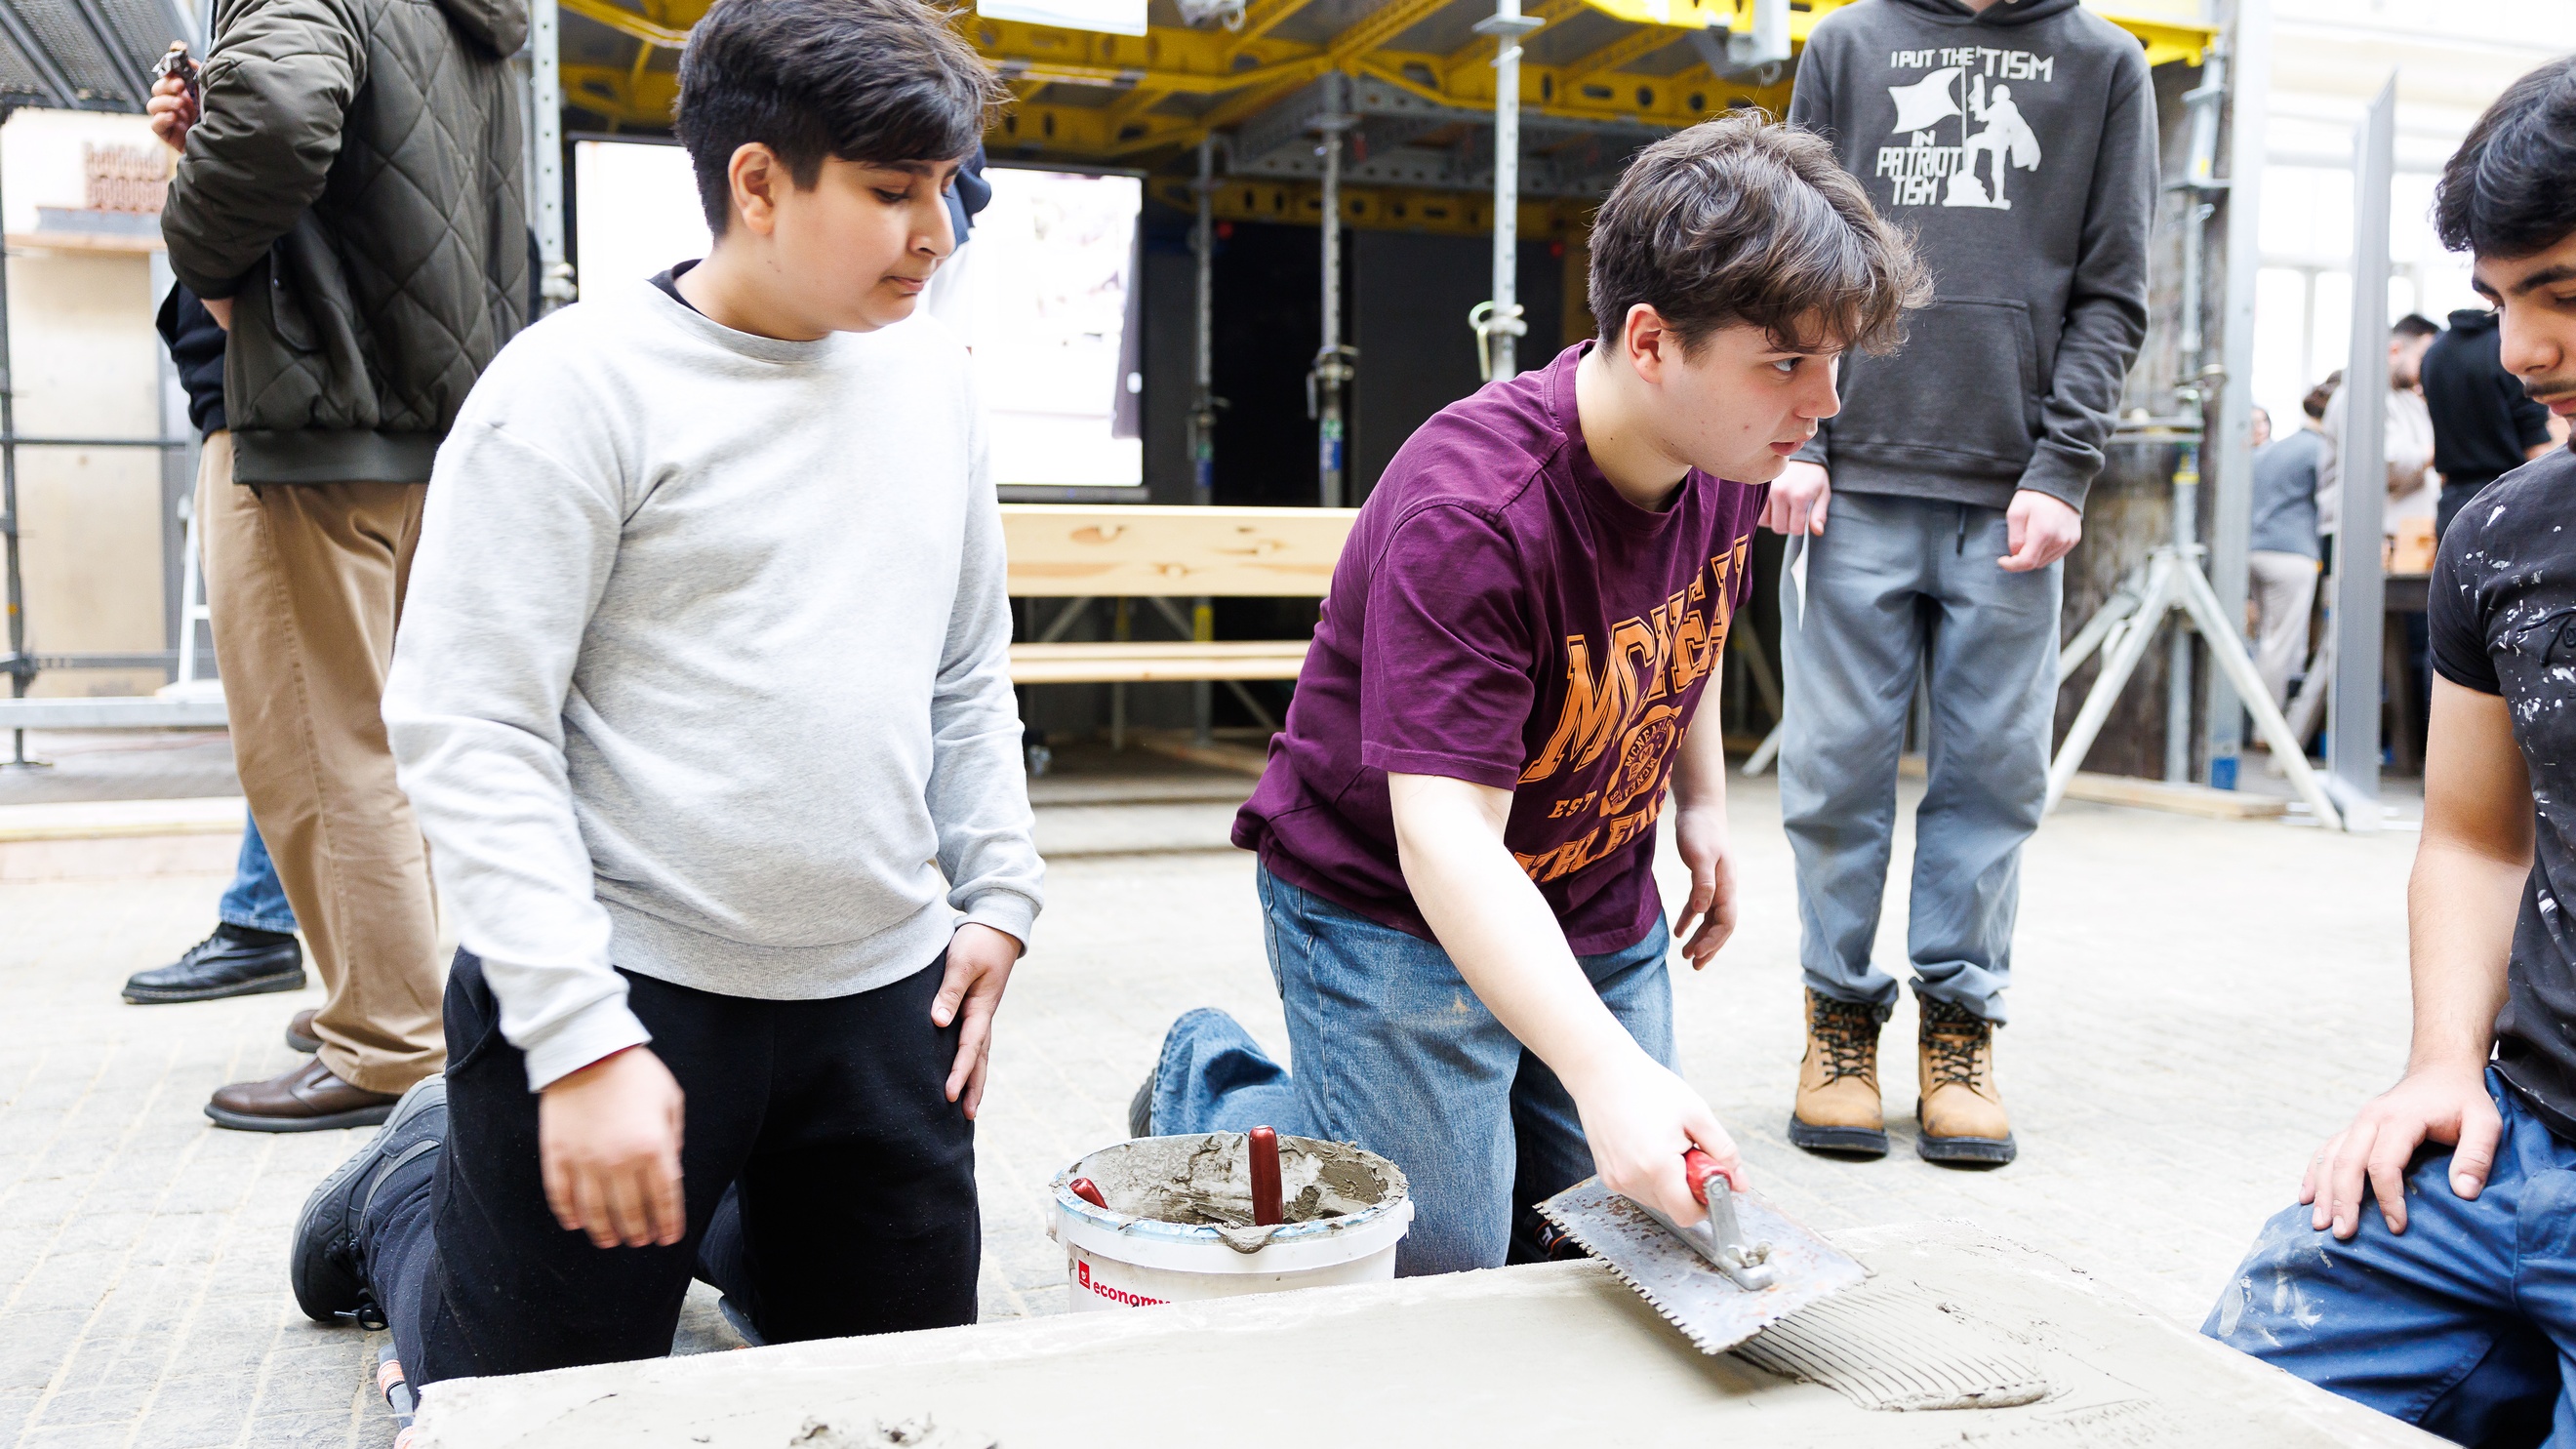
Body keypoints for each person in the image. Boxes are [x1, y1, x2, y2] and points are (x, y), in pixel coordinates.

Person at [287, 0, 1037, 1386]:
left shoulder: (934, 382)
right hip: (624, 982)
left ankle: (716, 1212)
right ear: (758, 183)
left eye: (945, 186)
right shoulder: (572, 389)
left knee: (900, 1400)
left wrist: (997, 892)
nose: (936, 231)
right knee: (528, 1410)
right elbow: (472, 727)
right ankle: (404, 1191)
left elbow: (964, 667)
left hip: (876, 988)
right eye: (892, 191)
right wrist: (575, 1040)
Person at [1132, 113, 1928, 1276]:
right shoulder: (1474, 513)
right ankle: (1217, 1084)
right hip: (1390, 909)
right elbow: (1445, 836)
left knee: (1608, 1248)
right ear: (1652, 342)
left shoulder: (1725, 449)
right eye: (1787, 363)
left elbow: (1689, 619)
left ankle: (1473, 1125)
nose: (1826, 403)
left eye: (1833, 361)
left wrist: (1702, 803)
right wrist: (1605, 1075)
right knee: (1440, 1259)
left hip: (1590, 890)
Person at [2203, 57, 2576, 1443]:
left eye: (2562, 294)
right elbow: (2476, 838)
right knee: (2212, 1400)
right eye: (2499, 300)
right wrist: (2438, 1066)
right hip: (2510, 1136)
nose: (2522, 352)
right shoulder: (2507, 534)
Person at [1766, 0, 2155, 1165]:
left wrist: (2065, 464)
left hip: (2013, 495)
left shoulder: (2106, 63)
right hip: (1855, 478)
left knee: (1992, 777)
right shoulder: (1849, 44)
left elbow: (2113, 287)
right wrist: (1801, 434)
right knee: (1834, 771)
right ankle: (1837, 1023)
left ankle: (1960, 1029)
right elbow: (1790, 247)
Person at [150, 0, 529, 1130]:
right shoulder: (466, 15)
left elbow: (276, 116)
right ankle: (404, 998)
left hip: (310, 419)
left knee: (318, 747)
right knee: (394, 740)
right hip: (426, 416)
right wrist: (204, 145)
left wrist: (209, 262)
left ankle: (386, 1039)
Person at [120, 283, 309, 1024]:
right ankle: (382, 998)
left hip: (274, 424)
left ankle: (376, 1017)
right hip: (347, 423)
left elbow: (220, 234)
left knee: (292, 713)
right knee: (345, 714)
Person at [2423, 301, 2557, 541]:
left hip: (2453, 508)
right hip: (2508, 503)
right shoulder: (2504, 350)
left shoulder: (2434, 352)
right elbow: (2536, 445)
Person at [2245, 382, 2333, 712]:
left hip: (2256, 550)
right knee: (2281, 647)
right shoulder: (2319, 449)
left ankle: (2257, 719)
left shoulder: (2275, 450)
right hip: (2292, 555)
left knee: (2265, 639)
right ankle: (2265, 726)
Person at [2317, 314, 2440, 547]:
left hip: (2404, 537)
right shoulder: (2356, 395)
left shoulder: (2409, 399)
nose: (2428, 368)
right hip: (2361, 538)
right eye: (2423, 358)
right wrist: (2440, 451)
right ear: (2394, 350)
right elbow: (2386, 464)